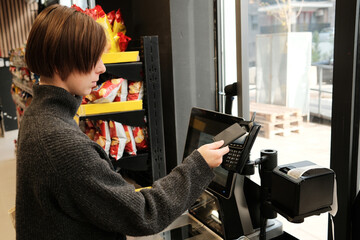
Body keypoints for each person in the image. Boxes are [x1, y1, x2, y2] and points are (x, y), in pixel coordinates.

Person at [16, 4, 229, 240]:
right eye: (92, 59)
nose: (102, 68)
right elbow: (145, 214)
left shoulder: (37, 116)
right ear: (59, 63)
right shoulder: (61, 145)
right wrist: (198, 165)